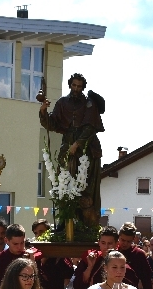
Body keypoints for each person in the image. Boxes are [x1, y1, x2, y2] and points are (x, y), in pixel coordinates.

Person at [39, 72, 104, 227]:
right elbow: (52, 124)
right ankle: (67, 221)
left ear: (83, 87)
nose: (76, 88)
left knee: (86, 187)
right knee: (65, 182)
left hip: (87, 148)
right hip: (67, 146)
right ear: (70, 85)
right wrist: (43, 111)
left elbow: (90, 127)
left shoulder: (89, 103)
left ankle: (86, 223)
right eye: (74, 85)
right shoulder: (62, 103)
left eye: (79, 86)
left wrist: (77, 144)